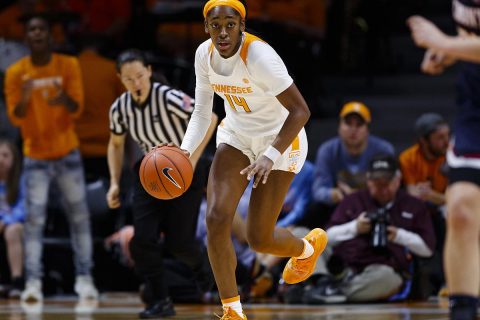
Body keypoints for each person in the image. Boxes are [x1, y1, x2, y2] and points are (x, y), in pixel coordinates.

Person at [179, 1, 327, 319]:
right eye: (215, 25)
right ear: (206, 27)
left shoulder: (260, 57)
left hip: (281, 140)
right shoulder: (203, 55)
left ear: (242, 26)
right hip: (237, 136)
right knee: (216, 219)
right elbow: (203, 112)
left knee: (259, 239)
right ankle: (232, 310)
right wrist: (183, 153)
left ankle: (307, 248)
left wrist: (269, 156)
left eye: (230, 24)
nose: (222, 32)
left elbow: (301, 111)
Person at [107, 49, 217, 319]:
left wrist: (190, 159)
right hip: (149, 171)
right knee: (142, 240)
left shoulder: (167, 97)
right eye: (128, 79)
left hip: (184, 170)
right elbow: (116, 143)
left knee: (180, 244)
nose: (136, 83)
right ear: (120, 79)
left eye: (140, 76)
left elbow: (210, 117)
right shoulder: (120, 108)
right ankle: (161, 301)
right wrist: (113, 182)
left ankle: (209, 277)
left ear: (149, 72)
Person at [4, 15, 98, 302]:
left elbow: (77, 108)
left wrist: (63, 99)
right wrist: (26, 96)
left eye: (41, 29)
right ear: (26, 37)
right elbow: (15, 117)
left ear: (49, 35)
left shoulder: (68, 65)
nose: (36, 33)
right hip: (35, 156)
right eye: (31, 29)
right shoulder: (16, 72)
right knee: (33, 222)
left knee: (80, 219)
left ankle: (85, 279)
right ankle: (33, 282)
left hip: (67, 152)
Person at [408, 3, 480, 319]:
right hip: (475, 112)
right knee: (461, 210)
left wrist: (444, 43)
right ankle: (462, 311)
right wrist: (451, 52)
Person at [305, 155, 435, 304]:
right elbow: (327, 237)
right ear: (368, 181)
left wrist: (398, 235)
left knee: (388, 280)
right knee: (306, 236)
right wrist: (355, 227)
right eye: (377, 182)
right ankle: (323, 283)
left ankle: (329, 293)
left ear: (398, 180)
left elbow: (427, 249)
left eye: (387, 182)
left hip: (380, 270)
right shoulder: (352, 200)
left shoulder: (413, 205)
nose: (382, 187)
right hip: (341, 267)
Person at [306, 101, 394, 228]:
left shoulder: (384, 150)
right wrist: (334, 194)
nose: (353, 129)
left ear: (367, 129)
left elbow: (389, 189)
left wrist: (356, 195)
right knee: (315, 209)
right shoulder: (327, 150)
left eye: (359, 124)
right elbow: (318, 191)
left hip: (373, 204)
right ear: (339, 127)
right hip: (339, 205)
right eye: (348, 123)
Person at [400, 113, 449, 208]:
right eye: (440, 137)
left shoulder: (453, 156)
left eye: (447, 135)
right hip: (418, 206)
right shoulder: (408, 158)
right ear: (423, 140)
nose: (447, 142)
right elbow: (412, 192)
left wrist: (430, 194)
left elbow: (453, 199)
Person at [0, 138, 25, 299]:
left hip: (20, 226)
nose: (0, 159)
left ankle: (17, 282)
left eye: (5, 155)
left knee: (12, 231)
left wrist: (6, 220)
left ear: (14, 159)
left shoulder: (22, 182)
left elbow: (25, 209)